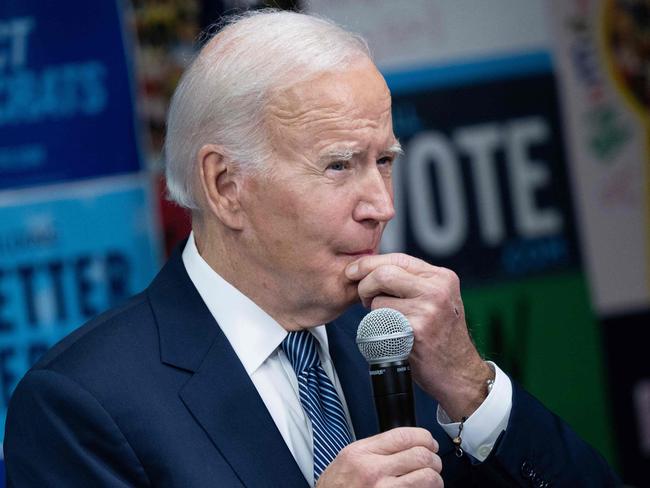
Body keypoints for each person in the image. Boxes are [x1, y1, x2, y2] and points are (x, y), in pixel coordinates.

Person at [4, 10, 619, 487]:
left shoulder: (402, 345)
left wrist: (471, 387)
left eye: (384, 161)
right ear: (225, 186)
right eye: (338, 166)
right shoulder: (80, 404)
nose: (381, 204)